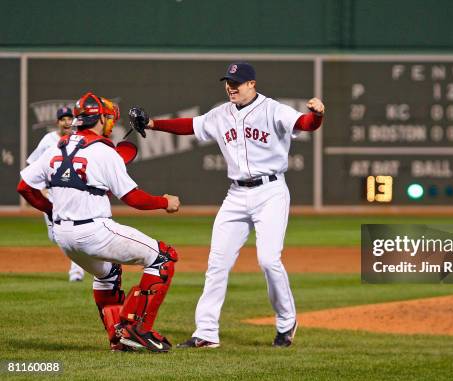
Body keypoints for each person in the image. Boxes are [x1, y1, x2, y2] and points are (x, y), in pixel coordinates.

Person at [129, 62, 324, 348]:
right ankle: (206, 333)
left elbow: (305, 125)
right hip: (236, 195)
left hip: (270, 192)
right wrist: (152, 124)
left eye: (237, 82)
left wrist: (317, 115)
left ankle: (286, 322)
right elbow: (191, 126)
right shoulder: (221, 113)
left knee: (269, 260)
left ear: (252, 84)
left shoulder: (273, 109)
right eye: (228, 82)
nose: (231, 86)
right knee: (217, 264)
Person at [17, 92, 181, 353]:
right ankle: (137, 329)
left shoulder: (55, 148)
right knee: (163, 257)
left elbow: (24, 187)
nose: (111, 123)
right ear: (100, 118)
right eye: (108, 118)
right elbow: (134, 198)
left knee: (108, 274)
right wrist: (164, 202)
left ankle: (118, 338)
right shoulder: (104, 152)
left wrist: (51, 209)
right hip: (94, 230)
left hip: (63, 237)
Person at [27, 107, 85, 282]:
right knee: (55, 236)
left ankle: (76, 271)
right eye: (63, 119)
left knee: (73, 230)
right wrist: (40, 188)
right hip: (51, 194)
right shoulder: (48, 140)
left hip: (72, 192)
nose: (67, 122)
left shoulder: (78, 140)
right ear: (57, 122)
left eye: (69, 119)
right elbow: (31, 163)